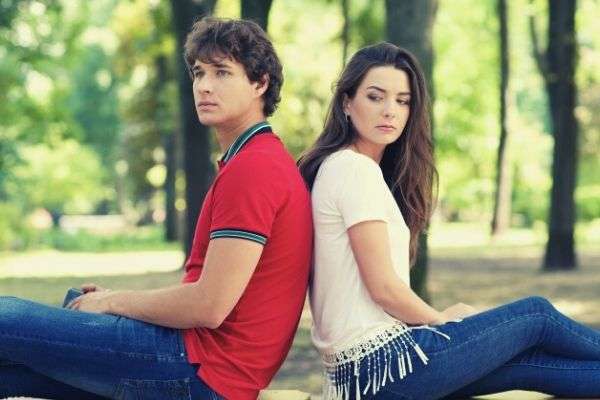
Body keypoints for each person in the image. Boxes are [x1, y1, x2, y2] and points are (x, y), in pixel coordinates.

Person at [0, 17, 312, 400]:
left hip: (203, 372)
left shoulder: (256, 168)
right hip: (199, 360)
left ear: (259, 83)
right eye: (199, 73)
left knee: (6, 317)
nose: (205, 86)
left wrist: (113, 302)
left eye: (222, 73)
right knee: (25, 355)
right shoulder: (251, 159)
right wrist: (114, 300)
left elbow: (210, 305)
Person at [298, 42, 600, 400]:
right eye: (375, 97)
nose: (390, 111)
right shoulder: (353, 169)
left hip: (361, 377)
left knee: (532, 363)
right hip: (381, 365)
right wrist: (444, 321)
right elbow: (384, 288)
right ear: (347, 103)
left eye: (402, 100)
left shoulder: (343, 169)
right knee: (537, 315)